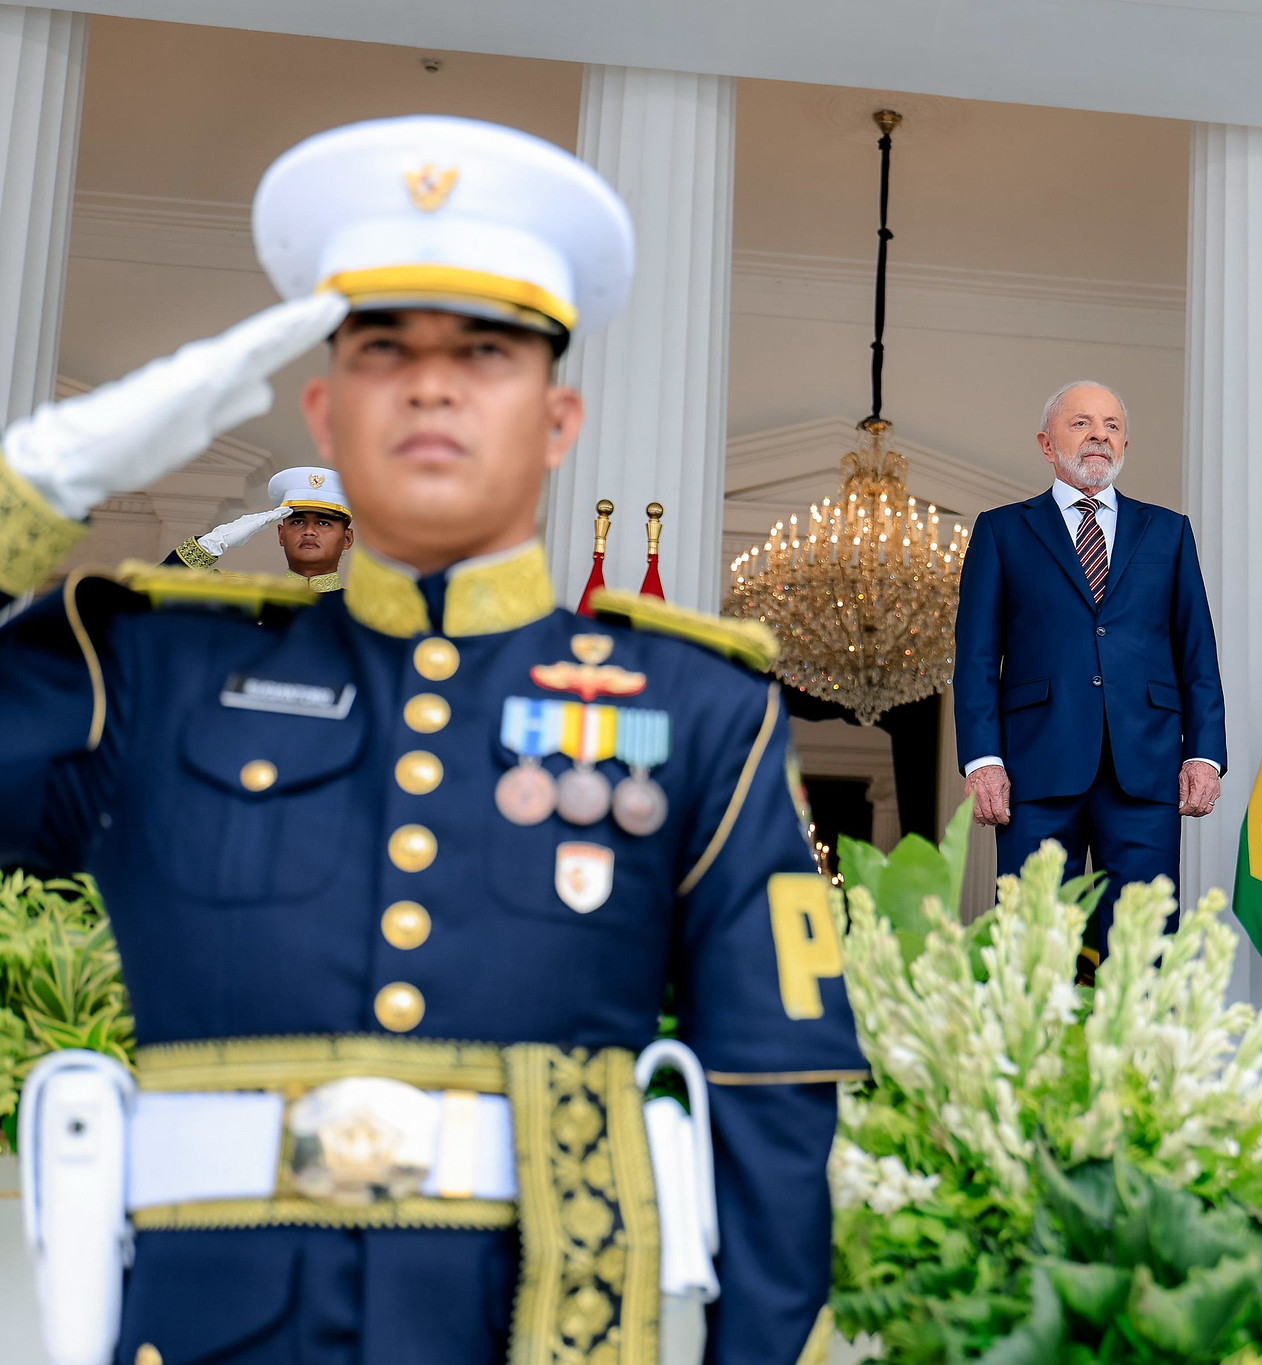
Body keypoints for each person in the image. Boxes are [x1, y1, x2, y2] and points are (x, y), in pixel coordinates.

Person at [0, 115, 861, 1364]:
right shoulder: (150, 669)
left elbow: (771, 1086)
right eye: (384, 348)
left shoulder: (693, 706)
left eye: (487, 351)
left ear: (558, 422)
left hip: (532, 1324)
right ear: (324, 413)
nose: (432, 382)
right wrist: (29, 495)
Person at [952, 380, 1226, 972]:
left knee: (1142, 950)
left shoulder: (1169, 531)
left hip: (1146, 767)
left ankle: (1137, 1066)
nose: (1098, 434)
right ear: (1047, 444)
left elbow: (1196, 651)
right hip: (1035, 768)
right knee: (1035, 947)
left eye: (1110, 425)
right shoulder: (1002, 531)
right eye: (1081, 423)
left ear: (1125, 442)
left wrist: (1205, 754)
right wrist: (982, 760)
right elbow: (976, 656)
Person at [169, 464, 355, 590]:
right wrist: (209, 545)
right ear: (281, 535)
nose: (309, 531)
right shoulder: (239, 595)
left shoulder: (364, 615)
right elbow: (147, 597)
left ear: (347, 539)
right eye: (297, 522)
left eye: (323, 523)